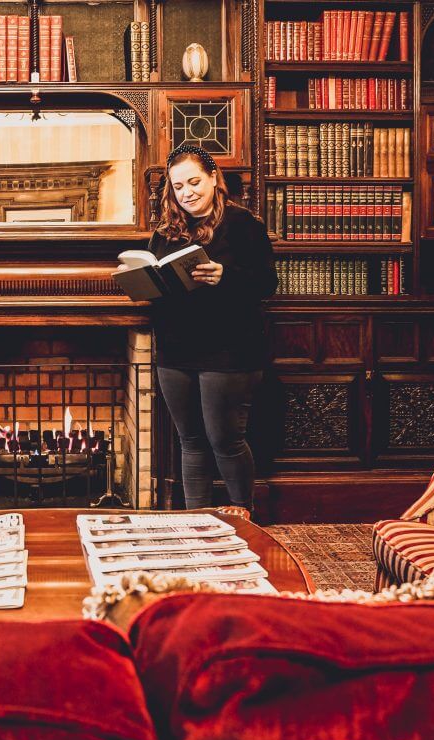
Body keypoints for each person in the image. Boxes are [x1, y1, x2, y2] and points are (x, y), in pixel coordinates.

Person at [148, 144, 277, 512]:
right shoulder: (164, 232)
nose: (187, 192)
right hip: (175, 350)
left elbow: (267, 283)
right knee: (190, 441)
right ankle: (196, 520)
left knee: (225, 440)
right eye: (178, 186)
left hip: (229, 349)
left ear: (213, 179)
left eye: (194, 182)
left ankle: (243, 514)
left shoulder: (242, 224)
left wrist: (225, 276)